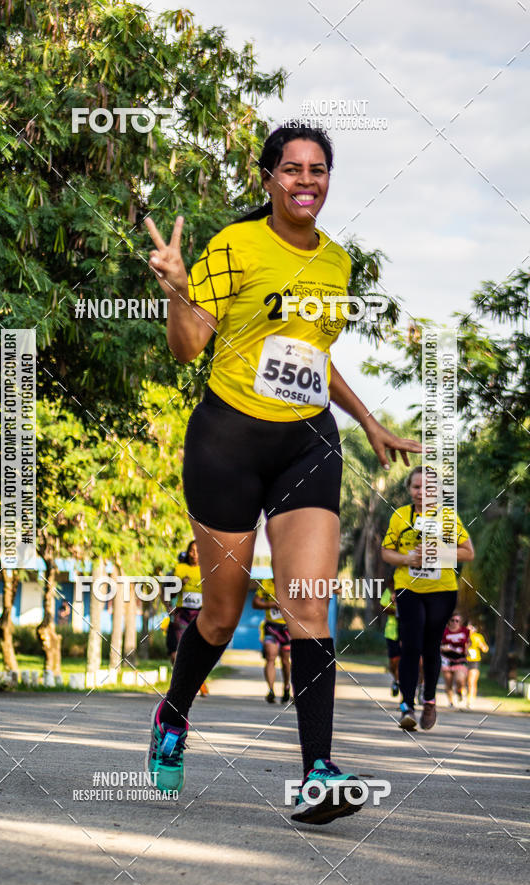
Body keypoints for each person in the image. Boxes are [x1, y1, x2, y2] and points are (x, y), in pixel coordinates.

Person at [145, 123, 421, 825]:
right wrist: (178, 289)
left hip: (307, 445)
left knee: (306, 602)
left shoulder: (338, 263)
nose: (306, 180)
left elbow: (313, 357)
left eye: (318, 169)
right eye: (292, 168)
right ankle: (174, 714)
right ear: (267, 179)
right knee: (219, 615)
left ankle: (317, 774)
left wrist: (366, 419)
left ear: (329, 180)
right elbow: (188, 349)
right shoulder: (235, 246)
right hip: (227, 443)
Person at [381, 466, 475, 731]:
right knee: (410, 645)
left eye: (427, 488)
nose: (421, 493)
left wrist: (439, 555)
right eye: (416, 487)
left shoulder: (447, 517)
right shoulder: (400, 516)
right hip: (408, 588)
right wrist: (406, 558)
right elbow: (386, 552)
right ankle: (407, 706)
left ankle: (430, 701)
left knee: (431, 644)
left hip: (441, 590)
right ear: (409, 489)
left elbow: (468, 553)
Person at [169, 541, 209, 696]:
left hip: (201, 614)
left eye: (198, 551)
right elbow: (170, 593)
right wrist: (179, 584)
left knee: (198, 650)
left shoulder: (207, 570)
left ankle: (199, 681)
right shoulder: (180, 569)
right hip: (183, 614)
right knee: (181, 650)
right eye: (192, 551)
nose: (194, 554)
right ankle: (180, 685)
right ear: (188, 552)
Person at [252, 578, 291, 703]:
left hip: (287, 629)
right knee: (270, 657)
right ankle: (271, 690)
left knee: (285, 661)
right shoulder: (265, 584)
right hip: (271, 627)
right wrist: (271, 604)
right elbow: (255, 603)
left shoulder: (292, 583)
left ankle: (286, 687)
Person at [440, 613, 470, 708]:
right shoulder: (444, 631)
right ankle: (451, 702)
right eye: (452, 620)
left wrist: (467, 649)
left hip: (460, 659)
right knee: (448, 681)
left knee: (459, 679)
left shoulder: (465, 631)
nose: (454, 622)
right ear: (449, 621)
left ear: (460, 622)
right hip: (446, 659)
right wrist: (443, 648)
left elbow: (469, 642)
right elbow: (438, 644)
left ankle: (459, 691)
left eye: (457, 621)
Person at [379, 582, 400, 696]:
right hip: (392, 632)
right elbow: (383, 607)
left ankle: (411, 692)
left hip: (408, 630)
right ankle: (396, 680)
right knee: (393, 662)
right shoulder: (390, 590)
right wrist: (397, 610)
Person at [466, 622, 489, 709]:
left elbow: (485, 649)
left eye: (472, 627)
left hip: (474, 661)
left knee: (471, 682)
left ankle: (470, 701)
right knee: (462, 680)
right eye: (468, 627)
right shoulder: (462, 635)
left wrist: (481, 646)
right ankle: (460, 692)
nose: (470, 629)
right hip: (463, 661)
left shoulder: (478, 637)